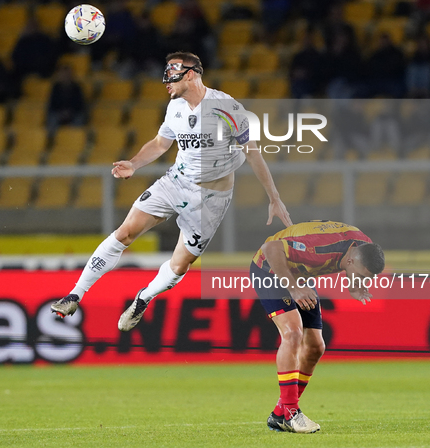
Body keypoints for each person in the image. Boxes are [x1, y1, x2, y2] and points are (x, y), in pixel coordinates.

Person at [51, 51, 292, 330]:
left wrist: (274, 198)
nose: (166, 81)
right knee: (125, 232)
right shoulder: (175, 107)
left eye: (171, 75)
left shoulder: (227, 107)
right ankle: (75, 294)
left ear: (190, 74)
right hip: (176, 182)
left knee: (179, 266)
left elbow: (252, 153)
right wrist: (134, 163)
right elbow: (160, 143)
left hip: (211, 199)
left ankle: (144, 297)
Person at [251, 220, 385, 433]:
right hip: (271, 268)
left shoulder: (364, 249)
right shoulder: (319, 249)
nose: (362, 281)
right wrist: (294, 289)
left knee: (315, 347)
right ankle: (292, 413)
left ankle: (279, 414)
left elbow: (357, 268)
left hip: (301, 275)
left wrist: (355, 286)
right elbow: (271, 249)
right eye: (360, 276)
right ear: (350, 260)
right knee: (293, 332)